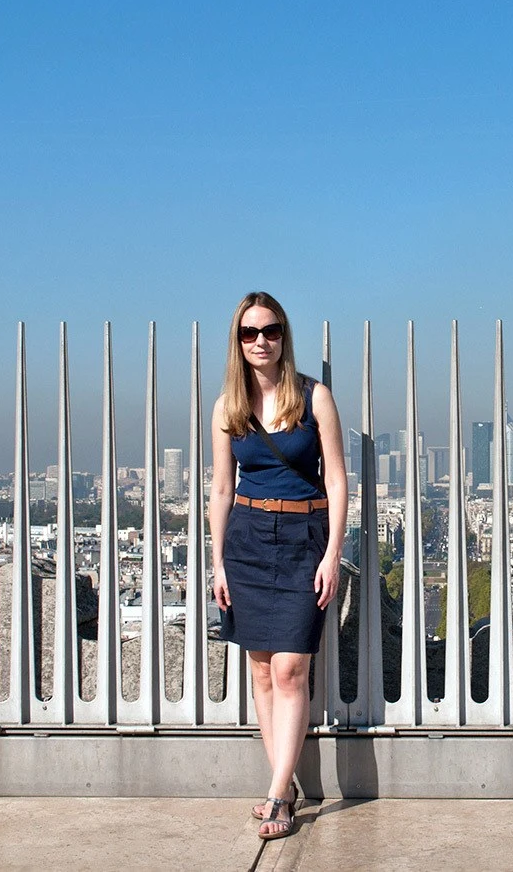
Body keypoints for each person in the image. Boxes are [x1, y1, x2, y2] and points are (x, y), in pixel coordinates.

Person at [209, 291, 346, 841]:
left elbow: (336, 480)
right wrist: (218, 563)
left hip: (301, 536)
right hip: (246, 539)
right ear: (238, 342)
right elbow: (221, 488)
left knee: (291, 668)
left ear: (284, 336)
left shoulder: (314, 398)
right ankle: (282, 786)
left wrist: (333, 552)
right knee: (261, 670)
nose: (260, 341)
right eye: (249, 333)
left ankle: (275, 795)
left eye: (269, 331)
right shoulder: (228, 406)